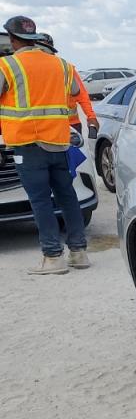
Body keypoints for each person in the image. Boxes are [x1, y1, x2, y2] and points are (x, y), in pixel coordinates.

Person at [0, 15, 90, 274]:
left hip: (28, 144)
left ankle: (52, 257)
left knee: (40, 201)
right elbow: (74, 91)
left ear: (14, 39)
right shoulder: (61, 64)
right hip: (59, 142)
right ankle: (79, 252)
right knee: (67, 196)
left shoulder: (8, 65)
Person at [34, 32, 98, 139]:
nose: (42, 52)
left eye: (44, 48)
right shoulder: (31, 71)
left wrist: (91, 117)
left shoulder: (66, 69)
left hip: (71, 125)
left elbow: (82, 96)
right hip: (43, 126)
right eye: (39, 48)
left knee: (74, 155)